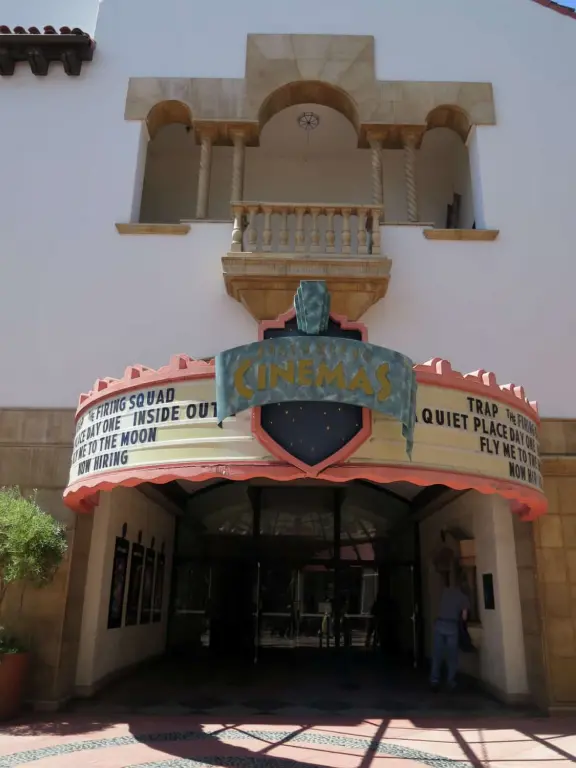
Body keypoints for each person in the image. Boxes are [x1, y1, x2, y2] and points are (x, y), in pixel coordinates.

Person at [430, 571, 469, 691]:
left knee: (437, 654)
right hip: (452, 626)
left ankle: (434, 679)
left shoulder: (445, 592)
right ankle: (450, 680)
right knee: (452, 656)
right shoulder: (464, 597)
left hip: (440, 624)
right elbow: (464, 617)